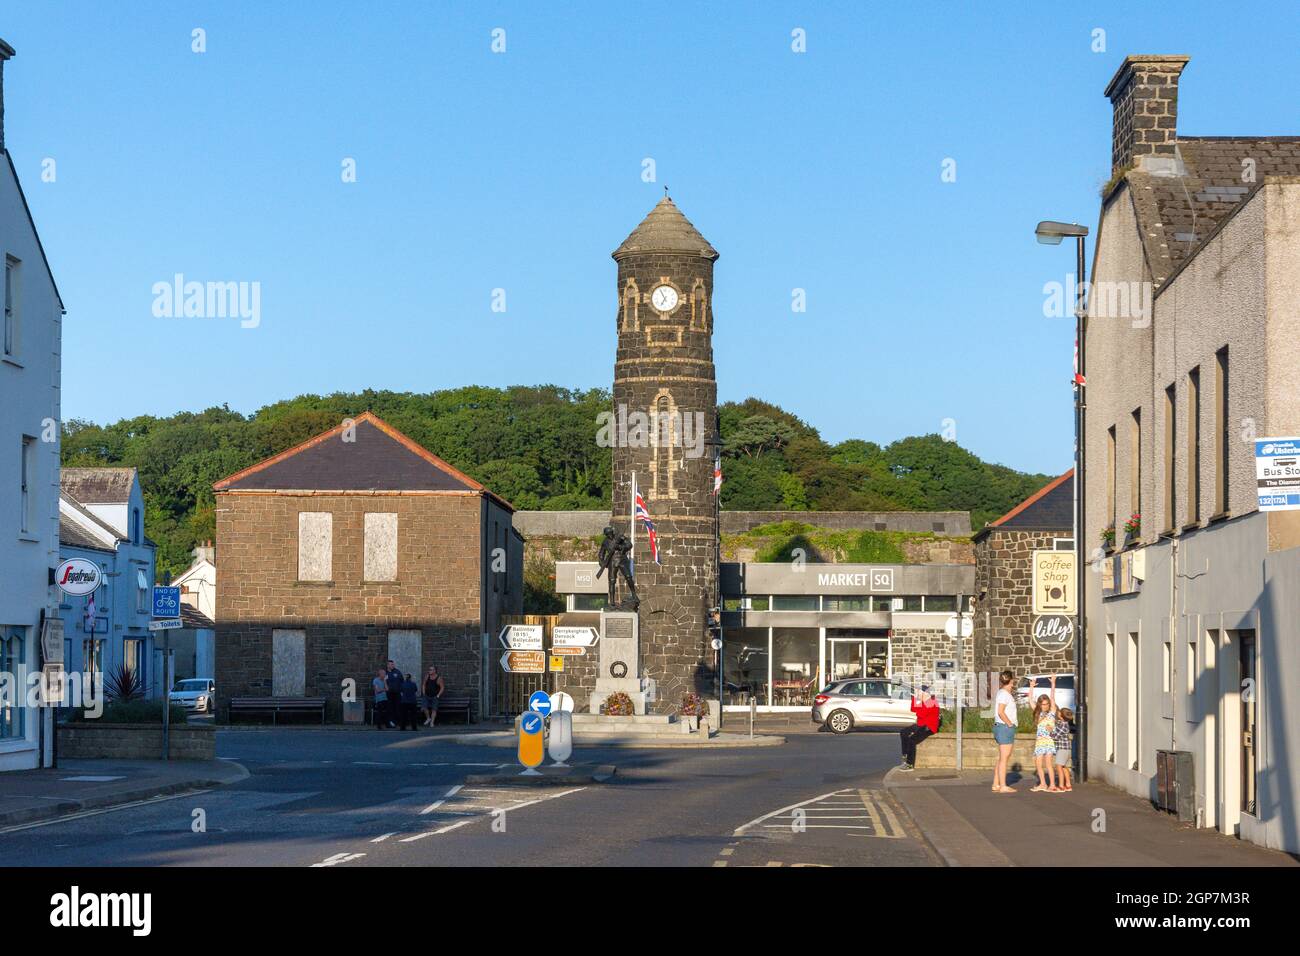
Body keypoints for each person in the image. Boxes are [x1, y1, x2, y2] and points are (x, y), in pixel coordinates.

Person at [1030, 674, 1061, 792]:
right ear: (1040, 704)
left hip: (1048, 742)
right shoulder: (1038, 713)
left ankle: (1052, 785)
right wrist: (1031, 687)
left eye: (1046, 704)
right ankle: (1043, 784)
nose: (1045, 706)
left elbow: (1053, 698)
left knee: (1048, 764)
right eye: (1043, 704)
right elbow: (1030, 700)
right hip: (1039, 742)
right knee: (1038, 764)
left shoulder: (1052, 713)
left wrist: (1053, 683)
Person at [897, 685, 939, 771]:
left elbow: (920, 714)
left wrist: (918, 701)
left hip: (929, 727)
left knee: (912, 739)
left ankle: (910, 764)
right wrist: (915, 698)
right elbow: (913, 709)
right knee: (903, 732)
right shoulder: (923, 700)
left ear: (925, 693)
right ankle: (905, 755)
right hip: (920, 724)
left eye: (919, 692)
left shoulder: (931, 701)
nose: (918, 694)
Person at [992, 670, 1017, 794]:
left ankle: (996, 784)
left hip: (1002, 727)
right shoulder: (1004, 694)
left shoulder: (1004, 693)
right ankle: (1003, 786)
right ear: (1011, 680)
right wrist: (1009, 723)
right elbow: (1001, 711)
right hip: (1004, 727)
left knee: (1002, 758)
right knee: (1004, 758)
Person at [1054, 704, 1075, 791]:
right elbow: (1057, 723)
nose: (1058, 712)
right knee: (1064, 767)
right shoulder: (1063, 723)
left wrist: (1049, 731)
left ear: (1062, 717)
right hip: (1065, 749)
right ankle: (1068, 785)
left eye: (1059, 712)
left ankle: (1061, 786)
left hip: (1063, 749)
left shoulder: (1064, 726)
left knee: (1059, 767)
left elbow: (1056, 736)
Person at [385, 660, 403, 728]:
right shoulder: (385, 673)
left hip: (397, 693)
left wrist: (401, 691)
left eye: (393, 664)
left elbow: (402, 681)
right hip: (388, 694)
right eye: (391, 664)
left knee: (397, 708)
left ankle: (397, 722)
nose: (393, 665)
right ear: (388, 665)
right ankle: (390, 722)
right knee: (389, 708)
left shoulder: (397, 672)